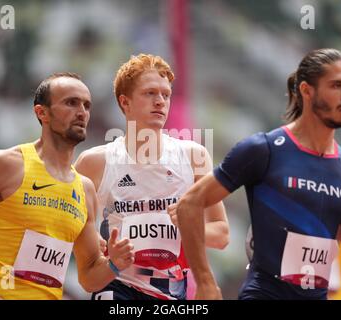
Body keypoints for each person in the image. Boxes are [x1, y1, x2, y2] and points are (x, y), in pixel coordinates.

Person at [176, 48, 341, 300]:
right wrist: (206, 281)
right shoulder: (263, 149)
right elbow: (189, 204)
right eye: (337, 85)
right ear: (307, 91)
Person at [0, 72, 134, 300]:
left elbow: (89, 277)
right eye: (71, 103)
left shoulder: (85, 189)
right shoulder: (7, 165)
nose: (82, 112)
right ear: (42, 112)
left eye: (87, 106)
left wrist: (114, 265)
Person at [74, 53, 229, 300]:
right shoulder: (94, 162)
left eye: (166, 95)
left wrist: (190, 225)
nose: (160, 101)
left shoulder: (193, 156)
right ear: (125, 102)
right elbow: (73, 229)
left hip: (170, 292)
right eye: (150, 93)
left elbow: (221, 235)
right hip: (116, 287)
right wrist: (99, 245)